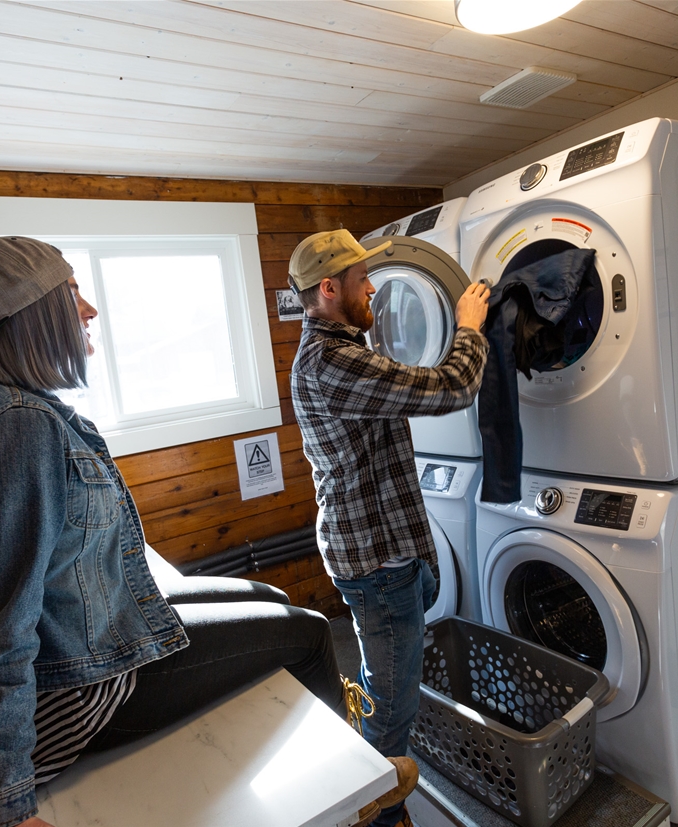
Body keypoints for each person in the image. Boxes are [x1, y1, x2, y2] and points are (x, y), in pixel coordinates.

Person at [0, 237, 409, 827]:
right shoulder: (18, 425)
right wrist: (2, 807)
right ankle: (354, 797)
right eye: (73, 294)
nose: (90, 310)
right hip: (81, 692)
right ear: (35, 315)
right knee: (310, 632)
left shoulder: (2, 406)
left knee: (268, 594)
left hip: (81, 642)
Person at [288, 230, 490, 827]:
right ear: (329, 289)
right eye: (361, 280)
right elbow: (453, 387)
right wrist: (469, 327)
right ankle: (375, 813)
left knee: (384, 683)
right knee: (392, 705)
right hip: (376, 562)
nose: (373, 287)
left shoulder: (343, 349)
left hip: (379, 552)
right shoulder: (333, 362)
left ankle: (370, 788)